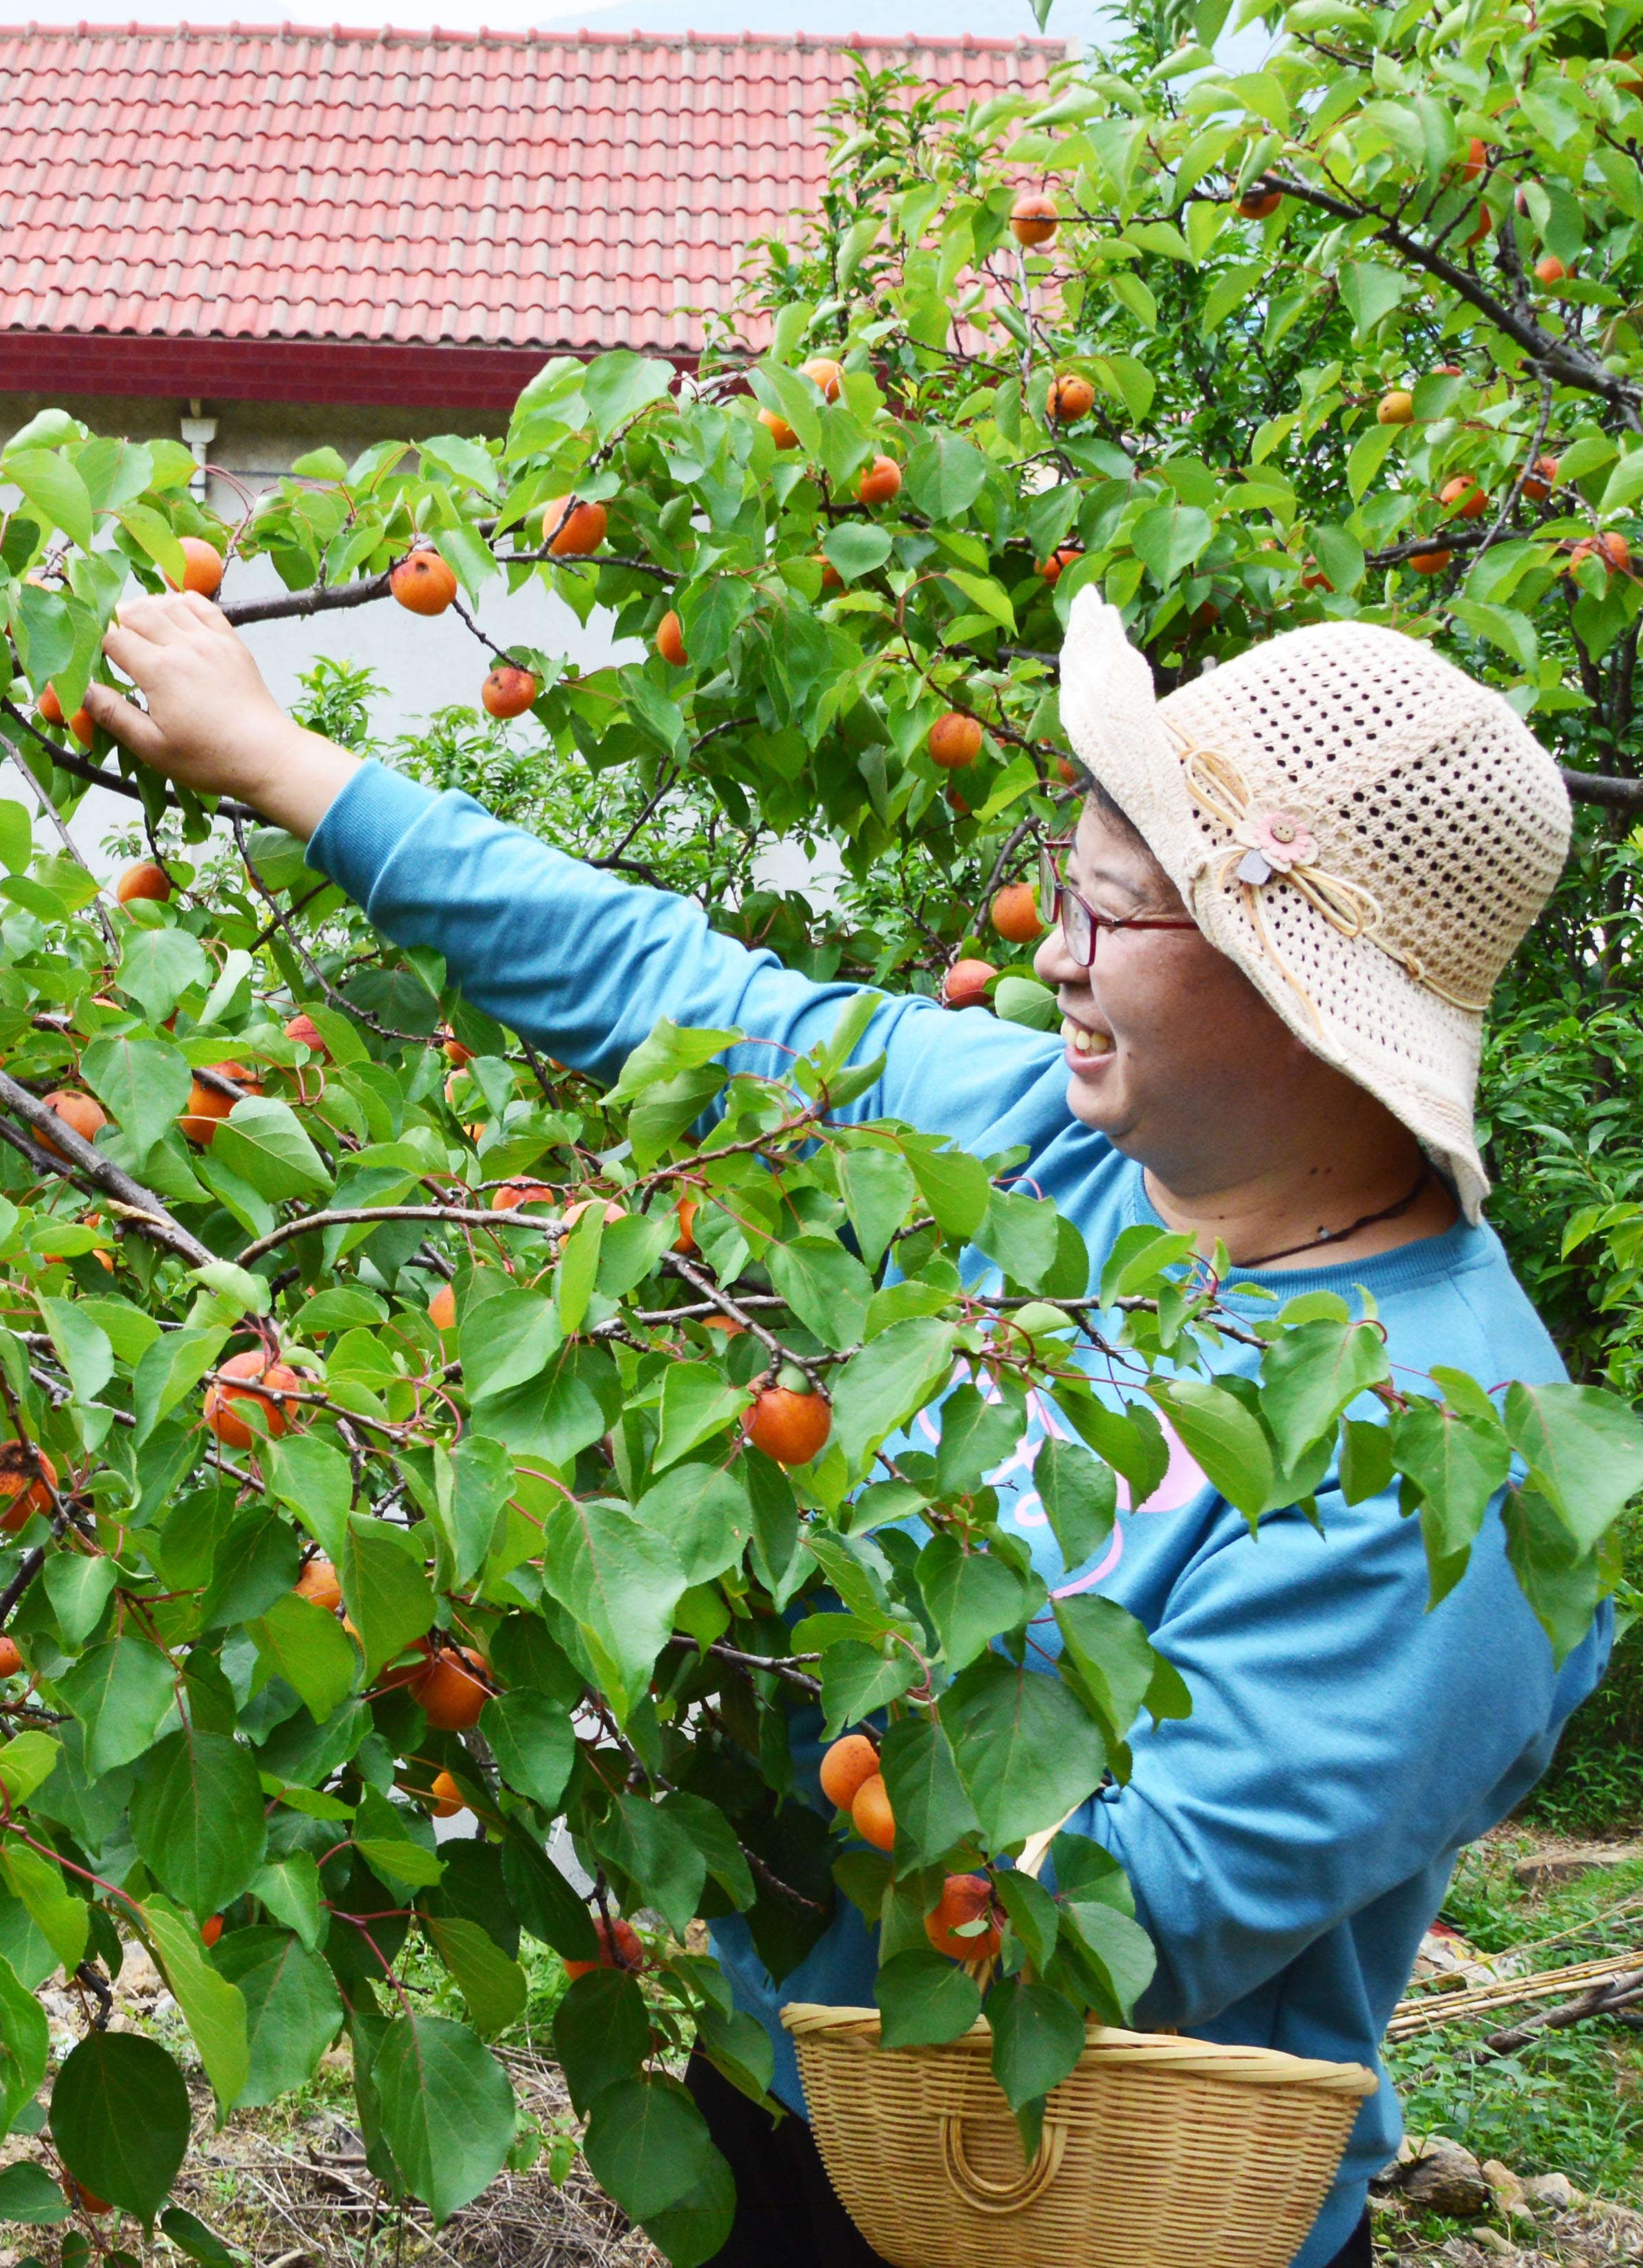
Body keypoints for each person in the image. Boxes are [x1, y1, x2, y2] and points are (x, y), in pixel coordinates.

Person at [91, 586, 1605, 2268]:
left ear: (1290, 994)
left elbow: (1100, 1927)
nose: (1051, 954)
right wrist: (286, 765)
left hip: (1086, 2206)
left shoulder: (1460, 1459)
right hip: (803, 2106)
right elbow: (677, 993)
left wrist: (641, 1610)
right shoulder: (1060, 1148)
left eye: (1107, 913)